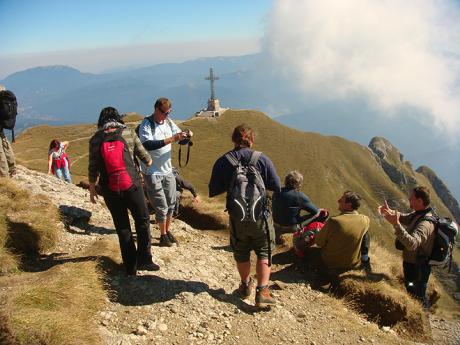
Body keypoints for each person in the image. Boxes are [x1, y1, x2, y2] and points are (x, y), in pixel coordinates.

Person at [209, 124, 281, 307]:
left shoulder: (224, 161)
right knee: (264, 250)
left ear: (233, 140)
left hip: (237, 216)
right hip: (260, 217)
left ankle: (244, 285)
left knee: (241, 250)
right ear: (252, 139)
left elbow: (214, 190)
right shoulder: (262, 159)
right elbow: (276, 186)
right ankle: (263, 290)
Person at [88, 107, 159, 276]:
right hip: (132, 186)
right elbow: (146, 159)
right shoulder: (127, 132)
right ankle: (145, 259)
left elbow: (93, 168)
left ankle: (130, 267)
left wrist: (92, 188)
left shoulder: (95, 139)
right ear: (118, 118)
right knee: (142, 220)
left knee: (122, 228)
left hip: (110, 190)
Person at [138, 97, 192, 247]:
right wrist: (172, 138)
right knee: (161, 205)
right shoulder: (146, 124)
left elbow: (180, 139)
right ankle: (162, 236)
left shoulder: (168, 122)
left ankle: (166, 232)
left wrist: (186, 137)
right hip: (152, 172)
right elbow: (147, 144)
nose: (167, 115)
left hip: (167, 170)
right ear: (157, 110)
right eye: (165, 113)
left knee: (171, 202)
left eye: (169, 112)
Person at [379, 186, 435, 308]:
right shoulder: (418, 214)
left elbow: (412, 244)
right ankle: (414, 311)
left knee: (419, 296)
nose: (409, 199)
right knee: (410, 290)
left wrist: (396, 225)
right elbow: (405, 217)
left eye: (412, 198)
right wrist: (390, 212)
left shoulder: (426, 224)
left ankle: (422, 320)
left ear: (420, 201)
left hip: (418, 267)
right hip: (411, 264)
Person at [314, 191, 371, 272]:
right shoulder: (366, 220)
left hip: (330, 262)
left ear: (349, 205)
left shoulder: (334, 221)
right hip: (352, 263)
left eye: (341, 200)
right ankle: (365, 257)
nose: (338, 201)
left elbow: (319, 243)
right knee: (365, 233)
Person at [272, 170, 320, 244]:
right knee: (319, 212)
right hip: (290, 227)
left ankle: (277, 235)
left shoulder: (276, 191)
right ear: (298, 184)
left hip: (275, 224)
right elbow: (314, 211)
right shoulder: (299, 196)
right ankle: (303, 233)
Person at [0, 85, 16, 177]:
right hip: (2, 124)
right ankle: (12, 168)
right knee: (5, 144)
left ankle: (3, 174)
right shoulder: (5, 96)